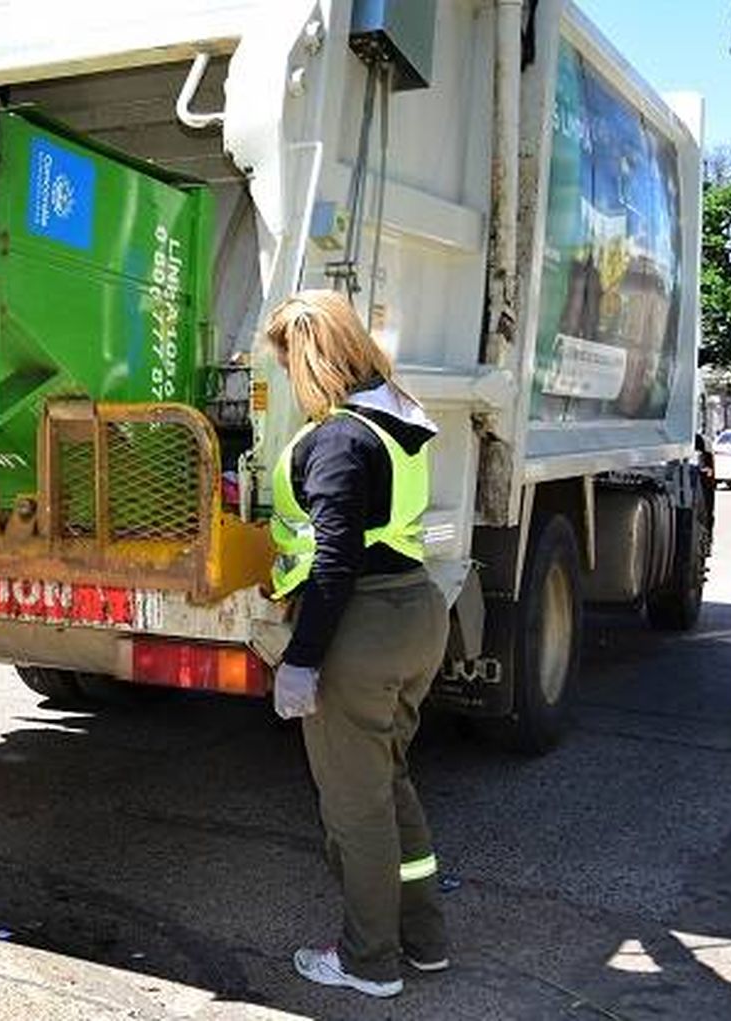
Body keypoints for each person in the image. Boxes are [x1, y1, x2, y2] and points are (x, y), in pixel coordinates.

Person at [264, 290, 451, 999]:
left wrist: (302, 659)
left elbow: (335, 556)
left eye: (288, 364)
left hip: (359, 629)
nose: (289, 380)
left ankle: (370, 960)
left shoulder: (341, 438)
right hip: (416, 613)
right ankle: (423, 937)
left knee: (355, 806)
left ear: (312, 357)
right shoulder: (396, 420)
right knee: (391, 782)